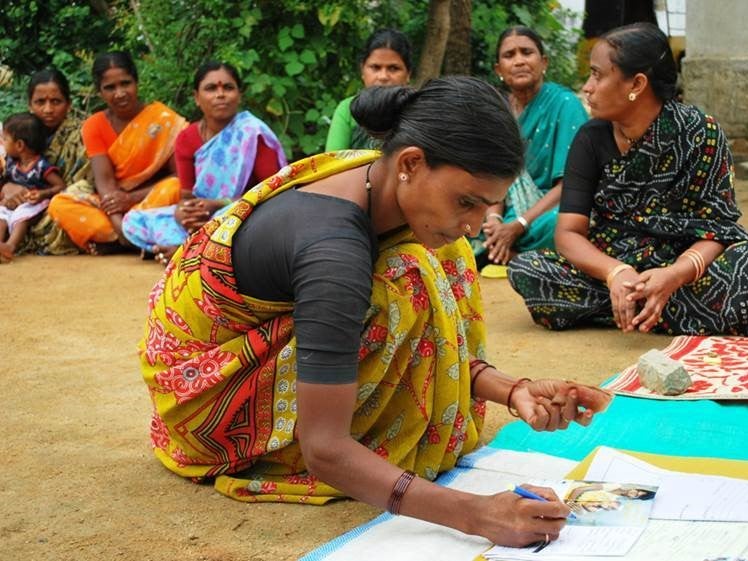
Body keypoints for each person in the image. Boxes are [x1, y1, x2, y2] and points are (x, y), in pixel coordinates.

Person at [140, 76, 612, 548]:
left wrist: (513, 390)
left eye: (488, 206)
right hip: (205, 396)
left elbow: (411, 336)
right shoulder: (335, 254)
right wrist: (476, 514)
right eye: (466, 201)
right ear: (411, 162)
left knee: (438, 254)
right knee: (409, 278)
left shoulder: (376, 178)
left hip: (272, 337)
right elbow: (325, 449)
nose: (473, 223)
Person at [508, 23, 748, 335]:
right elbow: (568, 233)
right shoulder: (590, 138)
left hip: (684, 269)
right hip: (614, 263)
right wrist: (616, 273)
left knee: (745, 262)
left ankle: (639, 307)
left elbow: (719, 230)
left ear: (636, 84)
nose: (587, 87)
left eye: (597, 74)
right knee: (528, 269)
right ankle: (655, 308)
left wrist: (675, 274)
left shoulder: (701, 133)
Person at [121, 61, 287, 264]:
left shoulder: (253, 133)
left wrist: (218, 204)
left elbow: (273, 194)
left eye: (228, 88)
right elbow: (187, 196)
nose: (220, 94)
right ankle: (197, 248)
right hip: (203, 217)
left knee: (231, 219)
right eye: (211, 88)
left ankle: (188, 251)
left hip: (243, 213)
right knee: (133, 220)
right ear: (196, 98)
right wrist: (185, 213)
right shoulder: (187, 138)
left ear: (239, 95)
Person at [471, 26, 589, 268]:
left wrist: (519, 225)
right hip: (508, 212)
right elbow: (494, 176)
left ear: (543, 61)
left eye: (526, 52)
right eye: (509, 55)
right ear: (498, 69)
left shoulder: (565, 104)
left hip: (552, 209)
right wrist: (494, 218)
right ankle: (510, 251)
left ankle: (511, 256)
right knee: (467, 216)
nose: (519, 61)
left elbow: (571, 184)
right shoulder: (499, 112)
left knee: (564, 224)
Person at [48, 51, 186, 254]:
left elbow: (179, 175)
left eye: (125, 83)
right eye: (110, 88)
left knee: (175, 186)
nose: (120, 93)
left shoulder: (163, 119)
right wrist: (120, 226)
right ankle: (132, 238)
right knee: (60, 204)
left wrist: (132, 199)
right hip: (113, 204)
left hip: (150, 201)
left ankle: (122, 241)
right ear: (99, 92)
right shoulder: (94, 125)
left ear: (136, 82)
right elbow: (105, 184)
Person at [2, 69, 93, 255]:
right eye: (40, 102)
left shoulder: (83, 135)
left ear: (68, 104)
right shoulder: (17, 131)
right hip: (14, 203)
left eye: (56, 102)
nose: (48, 109)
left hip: (58, 205)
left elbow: (83, 185)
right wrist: (7, 187)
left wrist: (40, 195)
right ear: (30, 104)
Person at [325, 28, 411, 151]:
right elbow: (333, 164)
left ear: (408, 74)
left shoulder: (418, 112)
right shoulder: (347, 110)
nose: (383, 77)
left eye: (393, 68)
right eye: (375, 67)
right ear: (362, 70)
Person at [0, 113, 65, 260]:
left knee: (21, 216)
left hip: (33, 202)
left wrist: (42, 194)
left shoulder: (41, 166)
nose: (2, 142)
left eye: (5, 139)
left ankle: (10, 246)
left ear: (20, 145)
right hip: (14, 201)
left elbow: (60, 186)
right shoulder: (11, 162)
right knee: (1, 213)